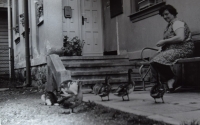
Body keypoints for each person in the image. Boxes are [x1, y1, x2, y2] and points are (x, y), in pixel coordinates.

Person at [150, 5, 194, 93]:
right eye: (163, 15)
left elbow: (180, 37)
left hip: (183, 49)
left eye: (167, 14)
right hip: (174, 49)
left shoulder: (177, 23)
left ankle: (171, 80)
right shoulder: (170, 25)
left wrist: (164, 41)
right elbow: (171, 39)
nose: (165, 17)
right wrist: (162, 47)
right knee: (153, 60)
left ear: (173, 13)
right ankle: (168, 81)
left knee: (157, 60)